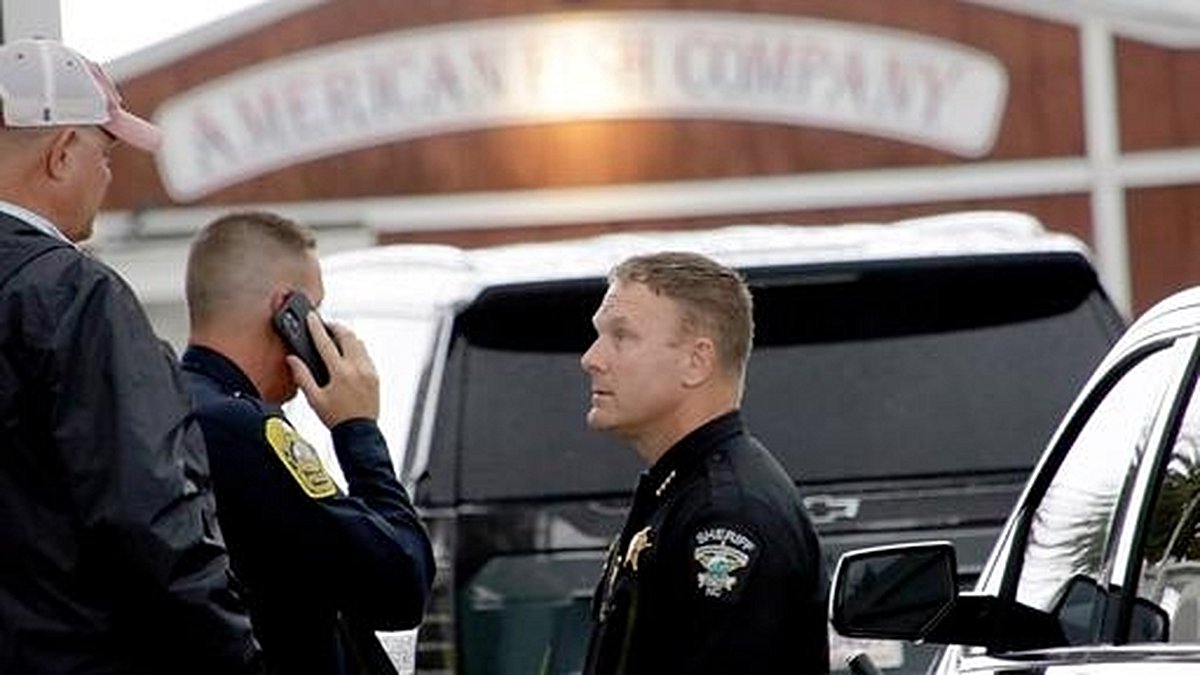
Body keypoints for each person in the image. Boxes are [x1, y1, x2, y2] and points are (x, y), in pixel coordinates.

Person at [0, 38, 263, 673]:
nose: (108, 176)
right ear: (62, 153)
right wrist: (236, 653)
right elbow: (149, 515)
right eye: (105, 152)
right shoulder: (75, 296)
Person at [181, 211, 435, 674]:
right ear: (288, 313)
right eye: (313, 311)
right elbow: (399, 584)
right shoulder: (242, 430)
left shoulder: (168, 409)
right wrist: (357, 427)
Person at [579, 251, 830, 673]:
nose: (591, 358)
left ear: (696, 362)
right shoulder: (681, 492)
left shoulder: (728, 514)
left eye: (621, 336)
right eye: (599, 335)